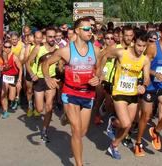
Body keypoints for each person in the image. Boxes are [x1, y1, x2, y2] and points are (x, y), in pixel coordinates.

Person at [43, 17, 101, 166]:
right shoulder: (66, 51)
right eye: (87, 29)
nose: (90, 31)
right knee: (76, 131)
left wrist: (99, 78)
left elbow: (100, 70)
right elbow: (46, 63)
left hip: (88, 94)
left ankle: (66, 117)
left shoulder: (96, 50)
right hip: (71, 93)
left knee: (82, 133)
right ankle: (78, 164)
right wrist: (48, 77)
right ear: (77, 31)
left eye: (92, 29)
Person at [100, 31, 150, 160]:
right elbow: (104, 56)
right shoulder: (122, 52)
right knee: (126, 124)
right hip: (119, 92)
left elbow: (147, 78)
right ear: (134, 42)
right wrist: (100, 72)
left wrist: (143, 86)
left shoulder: (145, 59)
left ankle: (113, 144)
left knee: (128, 124)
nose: (141, 49)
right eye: (139, 45)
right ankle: (114, 134)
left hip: (133, 94)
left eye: (144, 46)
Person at [134, 22, 162, 157]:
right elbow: (143, 65)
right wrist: (155, 73)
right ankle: (139, 142)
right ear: (160, 33)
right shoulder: (152, 47)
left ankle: (155, 131)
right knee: (145, 116)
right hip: (150, 85)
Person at [27, 28, 58, 142]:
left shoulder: (58, 50)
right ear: (46, 37)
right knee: (40, 109)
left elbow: (61, 64)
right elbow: (27, 62)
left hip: (51, 79)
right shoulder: (38, 48)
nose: (52, 39)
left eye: (54, 37)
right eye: (50, 37)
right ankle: (36, 105)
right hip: (39, 79)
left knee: (49, 107)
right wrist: (31, 74)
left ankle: (44, 130)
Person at [0, 41, 23, 119]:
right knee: (3, 94)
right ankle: (5, 112)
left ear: (11, 48)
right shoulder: (1, 56)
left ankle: (14, 100)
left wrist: (19, 79)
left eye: (9, 47)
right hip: (4, 77)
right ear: (3, 47)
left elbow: (20, 68)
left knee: (11, 98)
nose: (7, 49)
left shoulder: (14, 57)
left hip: (13, 77)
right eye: (5, 47)